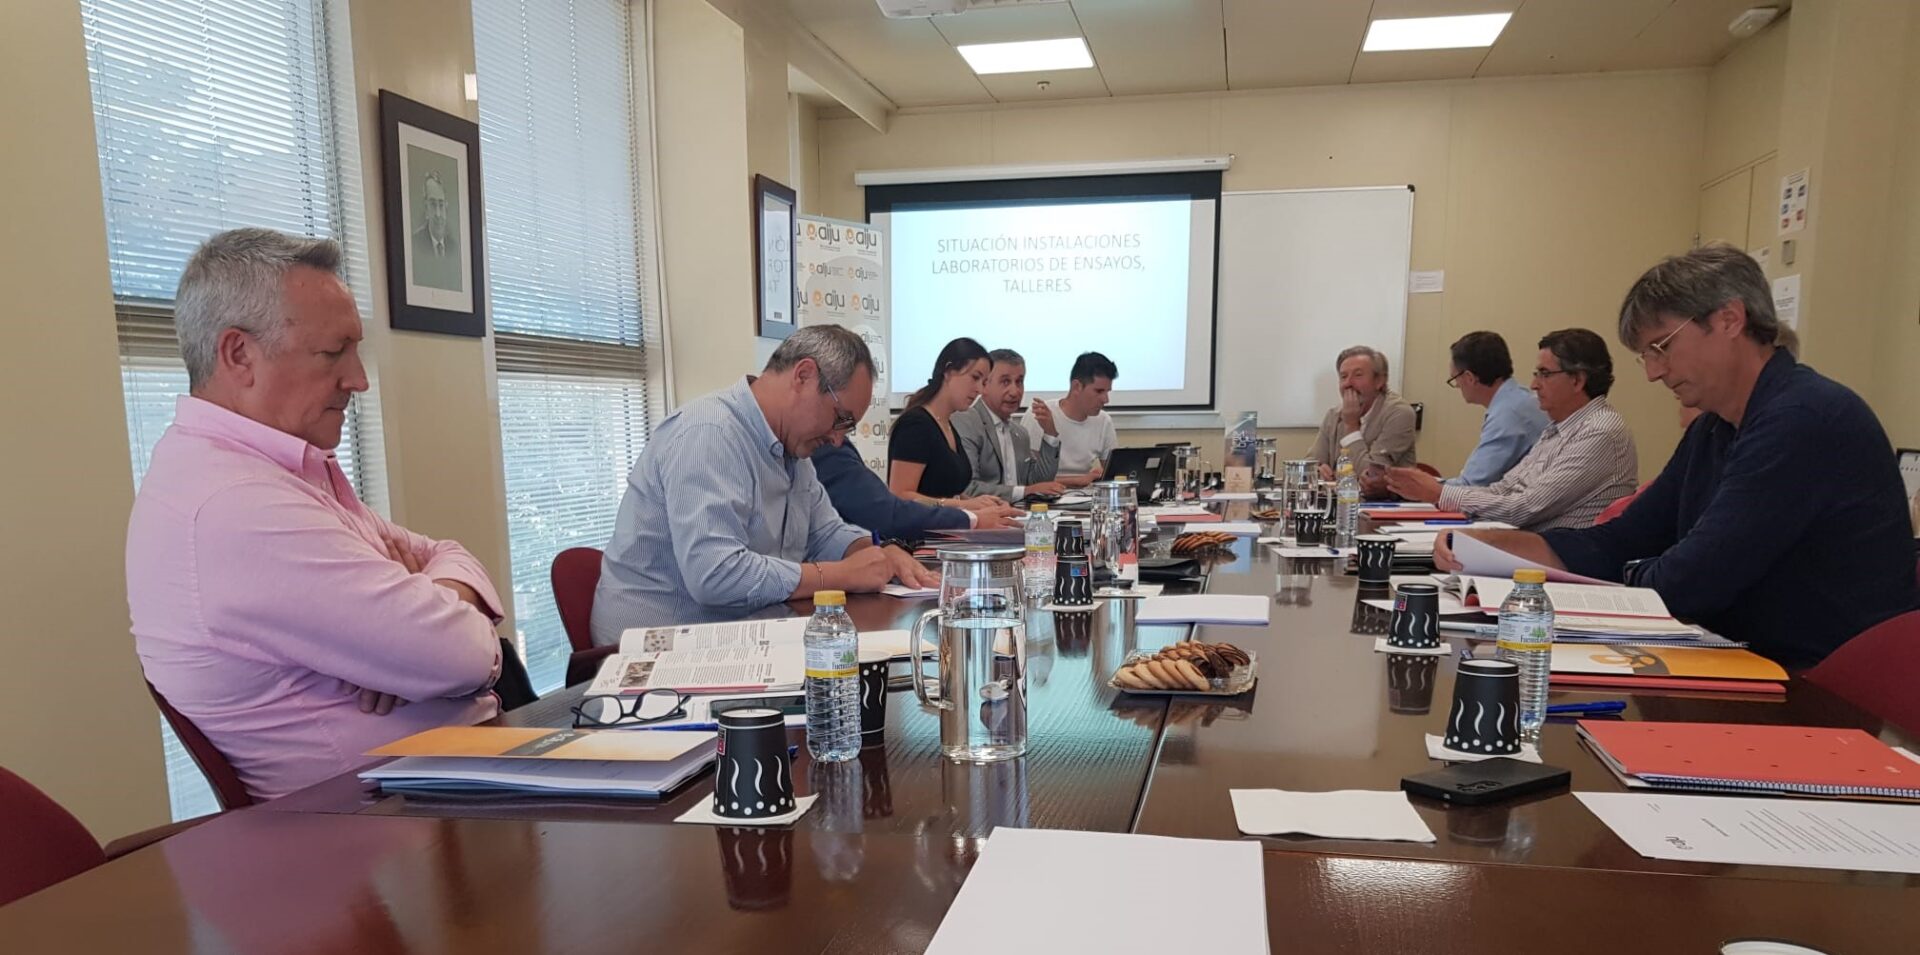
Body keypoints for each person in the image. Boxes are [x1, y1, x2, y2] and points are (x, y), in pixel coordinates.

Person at [126, 228, 506, 801]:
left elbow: (444, 553)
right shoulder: (236, 506)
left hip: (449, 784)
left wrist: (431, 599)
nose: (359, 380)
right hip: (385, 824)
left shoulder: (276, 471)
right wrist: (422, 636)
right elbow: (464, 657)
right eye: (333, 353)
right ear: (239, 354)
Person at [1436, 245, 1918, 668]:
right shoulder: (1717, 425)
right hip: (1746, 659)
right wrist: (1495, 547)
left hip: (1819, 689)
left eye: (1661, 348)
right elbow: (1629, 536)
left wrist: (1622, 575)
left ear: (1729, 319)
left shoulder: (1803, 419)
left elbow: (1690, 582)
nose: (1653, 373)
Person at [591, 324, 938, 645]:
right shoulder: (709, 434)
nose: (837, 440)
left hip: (738, 634)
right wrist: (840, 575)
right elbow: (715, 575)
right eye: (841, 419)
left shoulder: (793, 451)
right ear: (804, 375)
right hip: (659, 647)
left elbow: (824, 532)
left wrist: (875, 552)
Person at [1387, 330, 1637, 531]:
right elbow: (1504, 489)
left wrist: (1440, 493)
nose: (1534, 385)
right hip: (1534, 549)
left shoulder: (1599, 432)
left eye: (1545, 374)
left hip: (1565, 562)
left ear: (1577, 380)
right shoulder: (1558, 428)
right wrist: (1436, 491)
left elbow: (1525, 509)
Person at [1593, 325, 1796, 525]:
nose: (1653, 374)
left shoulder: (1788, 424)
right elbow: (1637, 524)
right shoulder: (1706, 431)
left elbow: (1717, 540)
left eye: (1663, 346)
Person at [812, 441, 1016, 538]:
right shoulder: (825, 446)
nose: (978, 388)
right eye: (975, 377)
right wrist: (969, 517)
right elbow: (891, 507)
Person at [952, 348, 1065, 501]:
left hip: (1019, 512)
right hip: (983, 513)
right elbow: (967, 488)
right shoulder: (966, 422)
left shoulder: (1020, 433)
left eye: (1019, 382)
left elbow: (1038, 484)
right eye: (1005, 381)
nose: (1015, 391)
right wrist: (1023, 492)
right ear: (984, 385)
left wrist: (1050, 433)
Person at [889, 337, 992, 502]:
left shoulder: (947, 425)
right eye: (975, 377)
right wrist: (967, 506)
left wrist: (981, 503)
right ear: (948, 371)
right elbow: (901, 495)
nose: (980, 389)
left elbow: (946, 491)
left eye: (984, 383)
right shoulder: (916, 425)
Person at [1441, 331, 1548, 487]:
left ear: (1469, 378)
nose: (1457, 386)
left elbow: (1471, 485)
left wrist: (1420, 486)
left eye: (1455, 378)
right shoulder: (1519, 399)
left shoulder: (1508, 414)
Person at [1307, 345, 1417, 482]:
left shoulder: (1399, 414)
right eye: (1343, 377)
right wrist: (1317, 472)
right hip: (1339, 495)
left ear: (1379, 381)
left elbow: (1370, 476)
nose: (1348, 383)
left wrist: (1351, 426)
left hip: (1384, 496)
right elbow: (1310, 464)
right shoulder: (1333, 415)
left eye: (1358, 375)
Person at [1023, 351, 1119, 487]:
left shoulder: (1104, 421)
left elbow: (1113, 474)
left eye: (1107, 392)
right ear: (1076, 387)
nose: (1105, 399)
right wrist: (1078, 480)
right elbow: (1025, 477)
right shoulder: (1040, 414)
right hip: (1043, 496)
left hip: (1084, 496)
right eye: (1099, 391)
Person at [410, 170, 460, 291]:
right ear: (426, 208)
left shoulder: (455, 247)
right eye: (433, 205)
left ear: (446, 208)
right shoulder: (414, 243)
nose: (438, 214)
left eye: (441, 205)